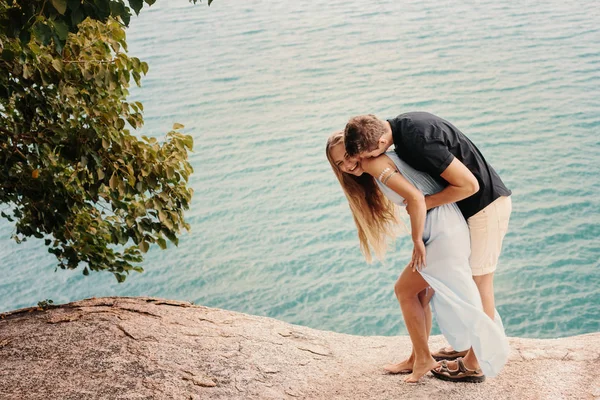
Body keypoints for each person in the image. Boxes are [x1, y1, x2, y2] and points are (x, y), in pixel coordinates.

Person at [326, 132, 509, 383]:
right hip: (441, 228)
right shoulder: (375, 165)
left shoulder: (374, 163)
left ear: (357, 149)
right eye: (339, 164)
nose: (347, 165)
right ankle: (417, 357)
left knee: (405, 290)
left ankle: (424, 359)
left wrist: (415, 241)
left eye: (347, 155)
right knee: (421, 292)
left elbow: (415, 198)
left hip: (443, 232)